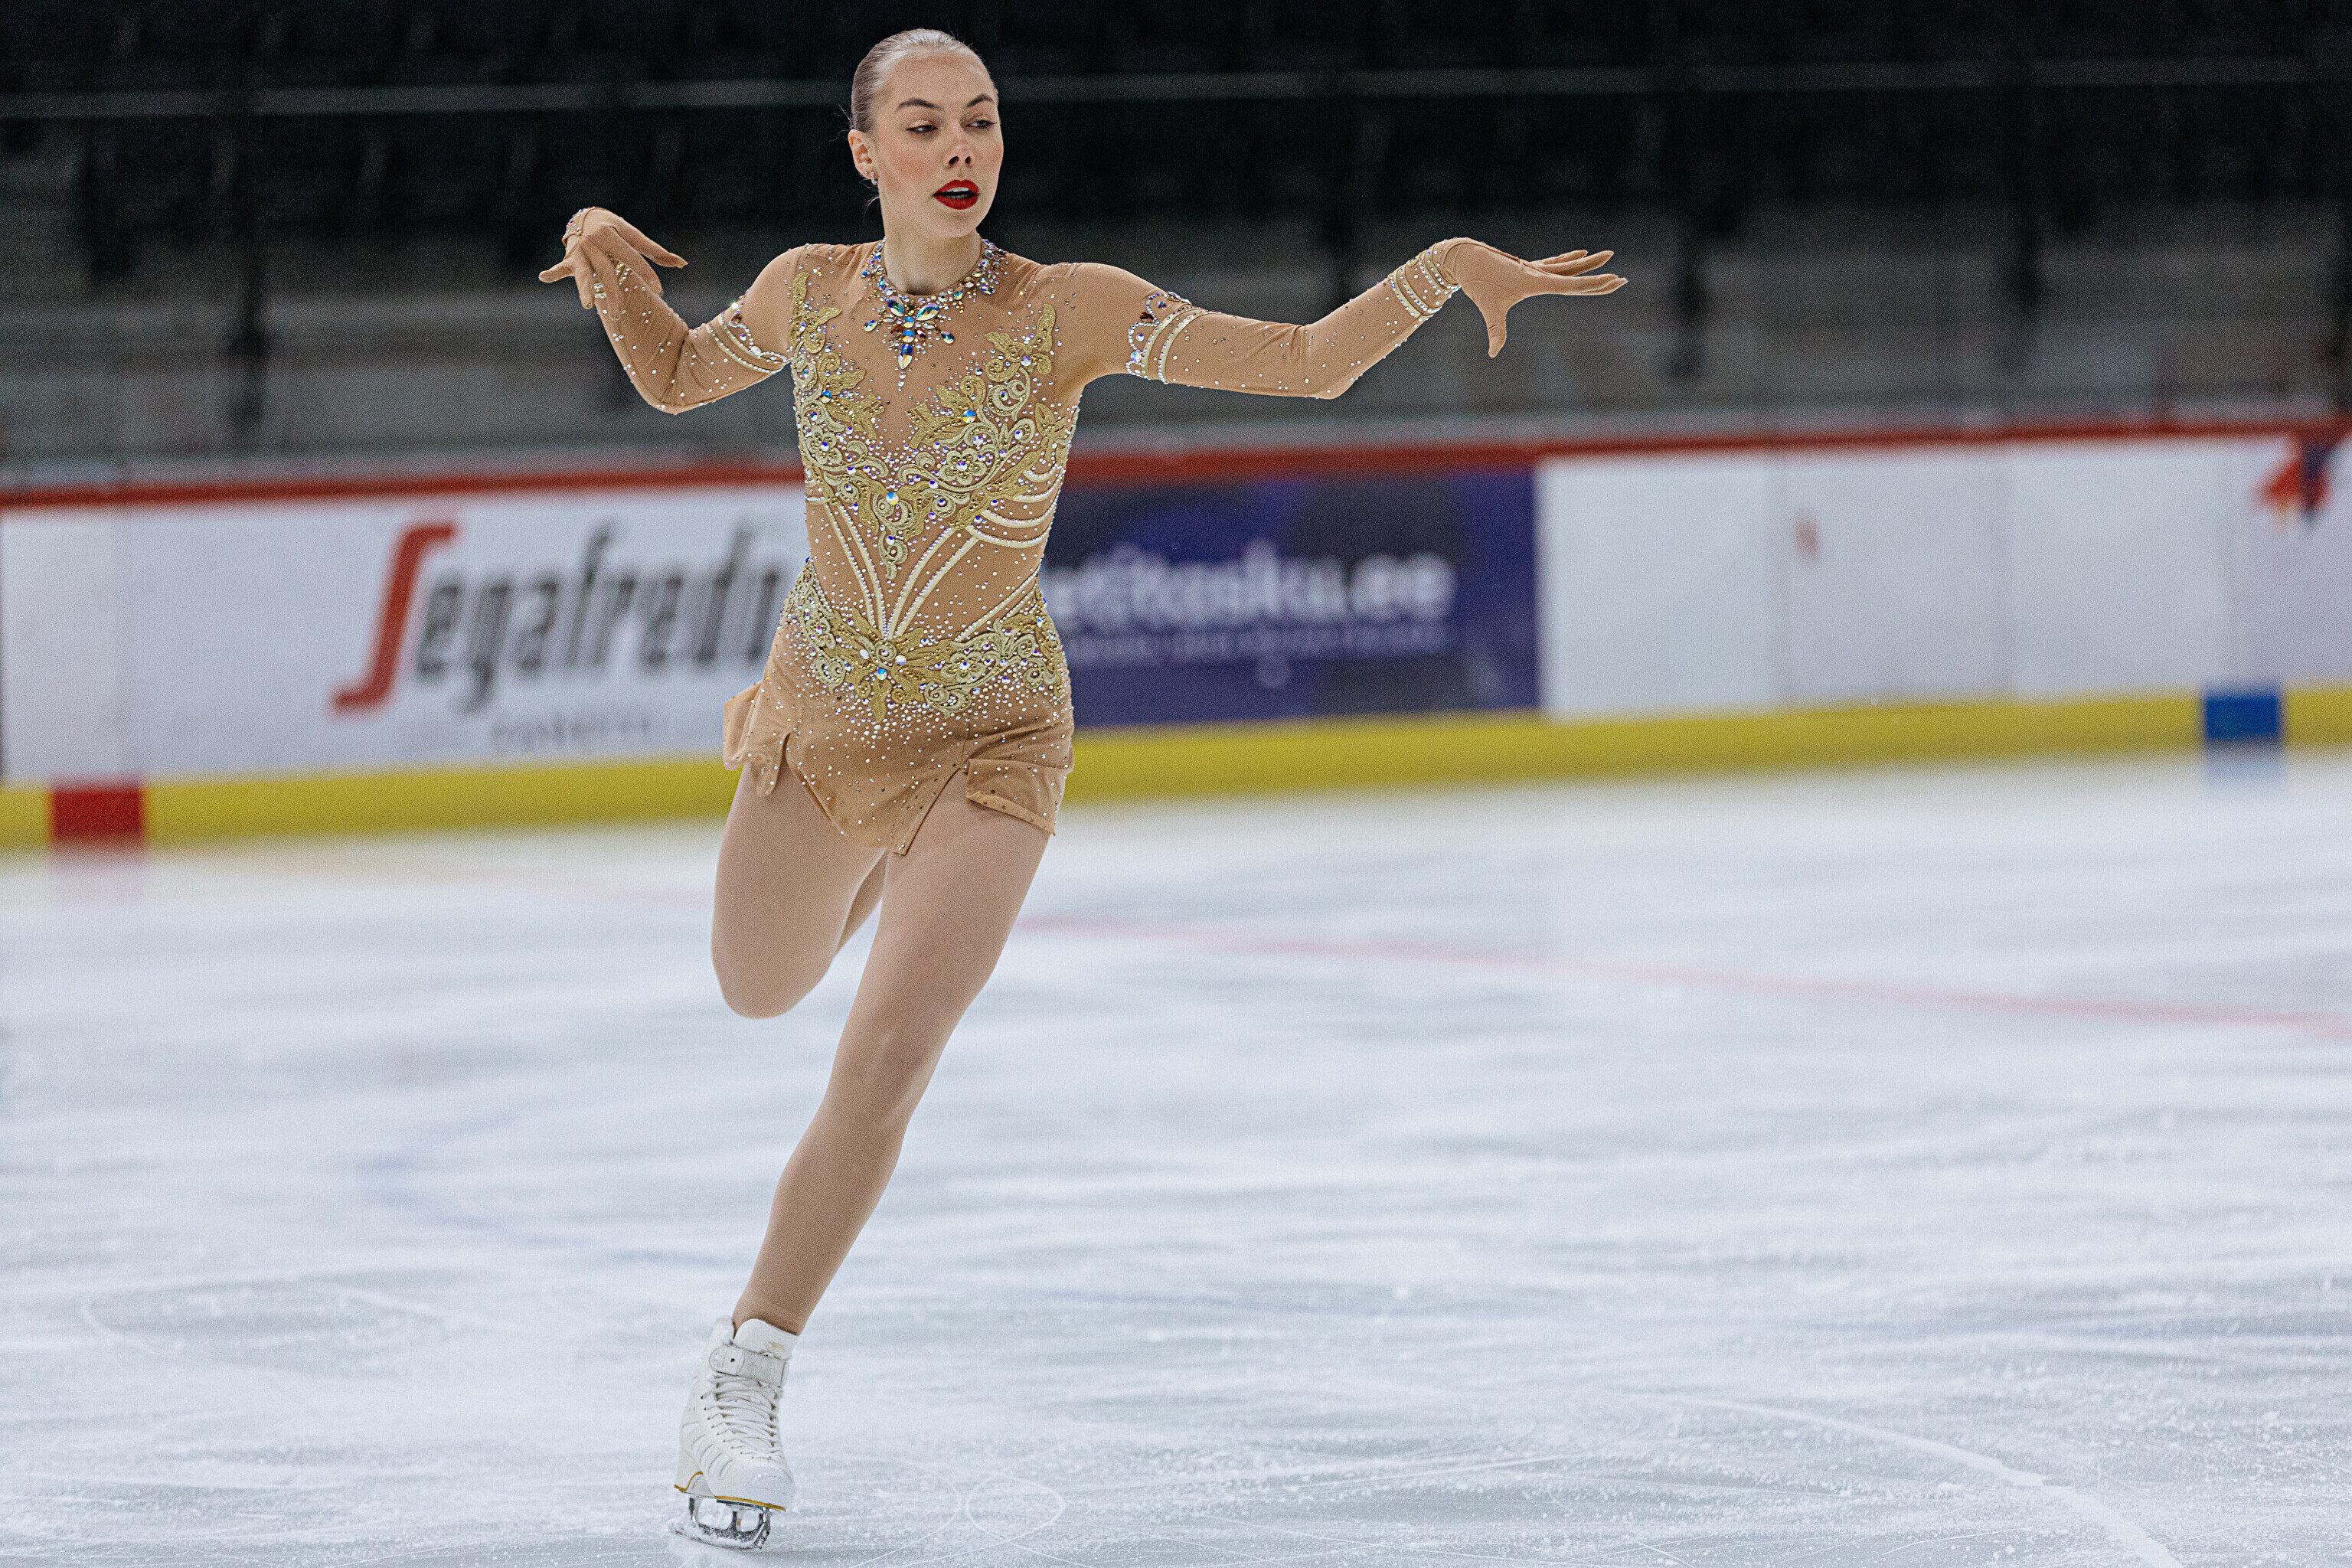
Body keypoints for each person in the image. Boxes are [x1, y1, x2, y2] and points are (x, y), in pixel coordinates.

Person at [538, 25, 1623, 1551]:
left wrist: (1442, 267)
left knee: (888, 1051)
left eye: (980, 119)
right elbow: (668, 378)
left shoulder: (1067, 310)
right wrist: (607, 261)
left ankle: (742, 1374)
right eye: (925, 123)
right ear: (864, 153)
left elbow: (1307, 365)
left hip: (996, 737)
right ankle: (864, 831)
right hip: (824, 719)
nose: (959, 147)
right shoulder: (802, 292)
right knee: (756, 986)